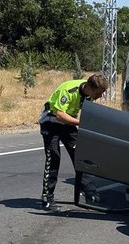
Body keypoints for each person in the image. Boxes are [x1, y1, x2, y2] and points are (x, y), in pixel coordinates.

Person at [39, 74, 109, 210]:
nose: (100, 96)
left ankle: (89, 193)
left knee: (81, 156)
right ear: (90, 88)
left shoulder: (89, 95)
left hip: (68, 124)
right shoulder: (68, 89)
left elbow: (88, 114)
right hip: (51, 123)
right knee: (53, 158)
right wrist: (80, 123)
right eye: (99, 93)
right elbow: (59, 114)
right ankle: (47, 198)